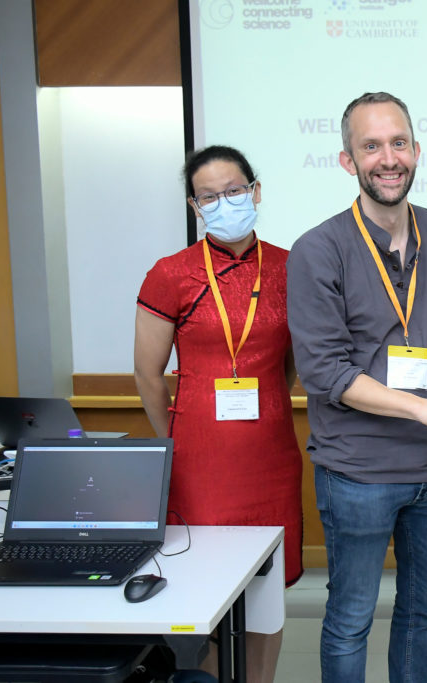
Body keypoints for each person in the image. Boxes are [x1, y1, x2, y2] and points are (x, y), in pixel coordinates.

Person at [286, 91, 427, 683]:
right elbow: (326, 374)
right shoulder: (318, 250)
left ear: (417, 150)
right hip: (356, 474)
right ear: (348, 160)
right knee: (351, 617)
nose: (388, 157)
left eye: (398, 142)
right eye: (370, 146)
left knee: (425, 611)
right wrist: (425, 411)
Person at [134, 145, 303, 683]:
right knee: (203, 596)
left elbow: (292, 366)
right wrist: (176, 440)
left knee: (266, 597)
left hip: (269, 457)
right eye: (210, 196)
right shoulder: (171, 274)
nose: (224, 202)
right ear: (194, 205)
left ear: (255, 192)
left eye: (234, 191)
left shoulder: (290, 267)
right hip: (198, 466)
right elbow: (147, 374)